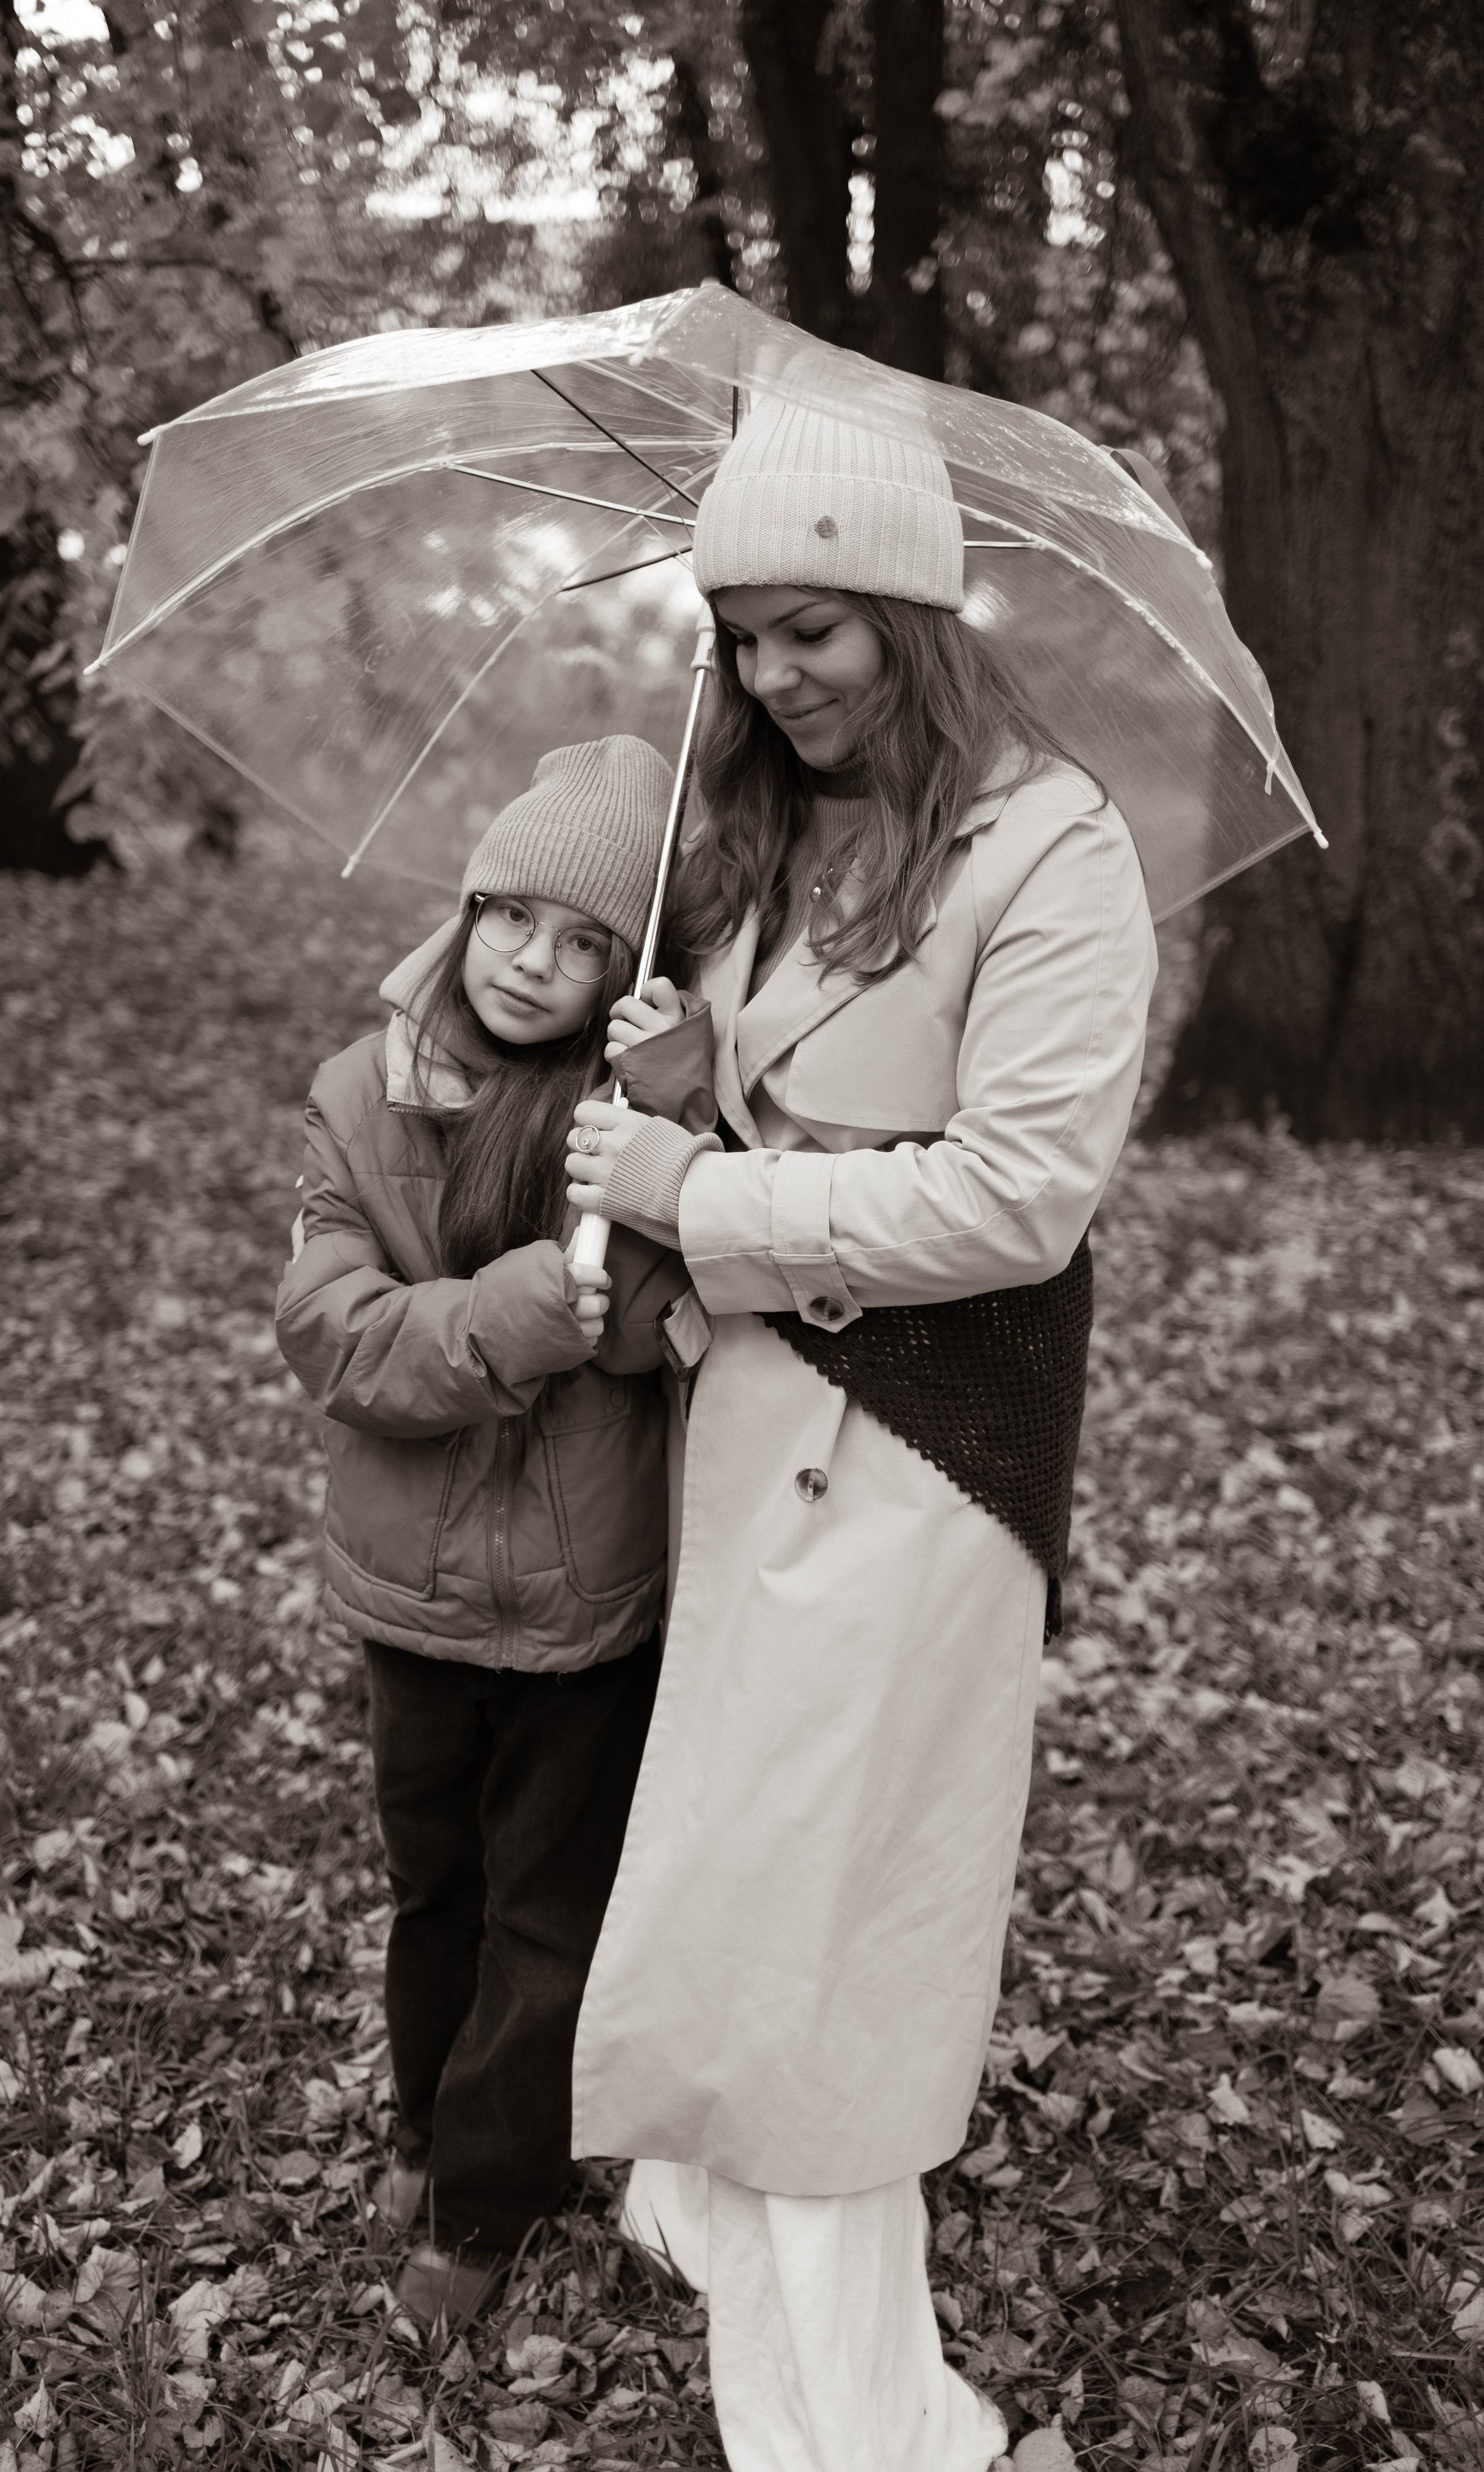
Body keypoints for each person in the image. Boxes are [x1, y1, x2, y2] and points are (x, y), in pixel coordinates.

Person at [558, 402, 1159, 2471]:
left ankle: (865, 2433)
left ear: (916, 604)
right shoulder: (772, 830)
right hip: (751, 1427)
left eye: (810, 629)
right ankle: (730, 2241)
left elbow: (1017, 1197)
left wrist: (697, 1194)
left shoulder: (1053, 844)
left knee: (819, 1964)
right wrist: (683, 1076)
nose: (770, 678)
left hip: (928, 1451)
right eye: (739, 636)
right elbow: (777, 1097)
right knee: (743, 1905)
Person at [274, 736, 714, 2332]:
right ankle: (416, 2115)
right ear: (466, 911)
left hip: (587, 1602)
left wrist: (674, 1142)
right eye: (512, 916)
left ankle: (481, 2197)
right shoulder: (354, 1101)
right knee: (432, 1888)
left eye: (585, 938)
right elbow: (331, 1335)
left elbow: (681, 1322)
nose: (536, 961)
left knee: (545, 1908)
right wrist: (513, 1310)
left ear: (626, 967)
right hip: (412, 1598)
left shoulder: (635, 1115)